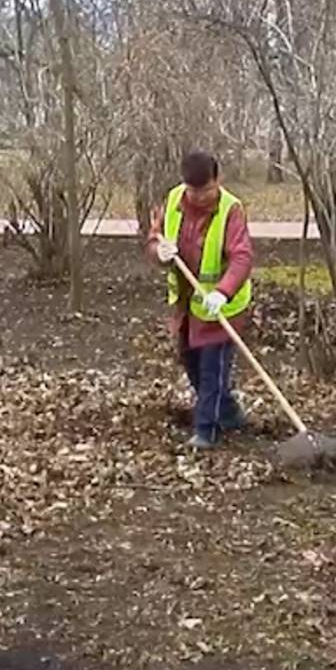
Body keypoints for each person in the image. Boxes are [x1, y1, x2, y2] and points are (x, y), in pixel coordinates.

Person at [145, 151, 255, 450]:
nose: (199, 197)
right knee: (191, 364)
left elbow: (242, 256)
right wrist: (159, 252)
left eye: (205, 190)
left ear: (217, 181)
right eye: (194, 191)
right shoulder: (174, 200)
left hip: (222, 308)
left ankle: (206, 431)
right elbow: (155, 237)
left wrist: (223, 291)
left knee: (211, 370)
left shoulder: (231, 210)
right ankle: (230, 414)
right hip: (186, 304)